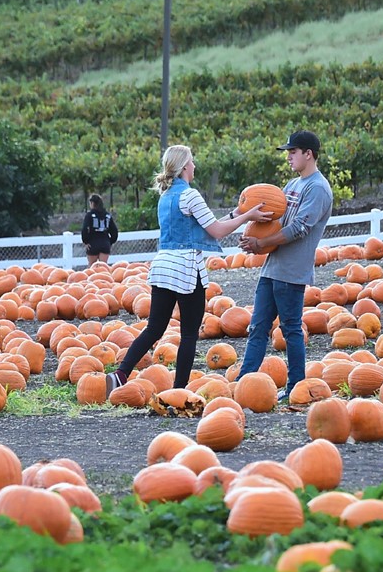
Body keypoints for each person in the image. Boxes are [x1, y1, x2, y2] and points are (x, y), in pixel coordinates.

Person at [106, 145, 270, 394]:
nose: (194, 166)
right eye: (191, 162)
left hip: (163, 267)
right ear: (184, 167)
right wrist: (247, 217)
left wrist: (237, 213)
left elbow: (205, 225)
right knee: (189, 334)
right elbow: (216, 231)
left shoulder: (166, 196)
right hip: (185, 269)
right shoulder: (190, 195)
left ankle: (121, 374)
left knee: (154, 328)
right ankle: (179, 390)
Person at [235, 130, 333, 403]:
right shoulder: (292, 185)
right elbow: (275, 219)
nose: (289, 156)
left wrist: (260, 242)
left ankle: (295, 388)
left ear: (308, 154)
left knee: (290, 329)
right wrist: (252, 229)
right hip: (273, 265)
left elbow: (299, 229)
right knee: (258, 327)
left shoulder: (318, 188)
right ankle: (244, 384)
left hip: (292, 269)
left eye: (293, 152)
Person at [81, 194, 119, 266]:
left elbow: (85, 229)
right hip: (104, 243)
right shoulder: (107, 215)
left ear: (92, 203)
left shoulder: (89, 215)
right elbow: (114, 231)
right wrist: (110, 241)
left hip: (93, 243)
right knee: (103, 267)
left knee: (92, 267)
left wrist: (85, 241)